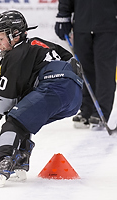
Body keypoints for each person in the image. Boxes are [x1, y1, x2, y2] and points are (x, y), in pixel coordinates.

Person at [0, 10, 83, 187]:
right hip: (74, 97)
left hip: (53, 88)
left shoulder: (16, 55)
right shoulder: (39, 44)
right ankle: (20, 159)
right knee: (25, 116)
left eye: (1, 38)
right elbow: (71, 61)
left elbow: (5, 102)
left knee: (14, 121)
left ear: (15, 35)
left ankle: (2, 162)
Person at [55, 0, 117, 129]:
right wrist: (63, 15)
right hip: (82, 25)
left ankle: (101, 112)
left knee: (104, 70)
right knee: (83, 69)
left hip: (108, 27)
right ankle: (86, 110)